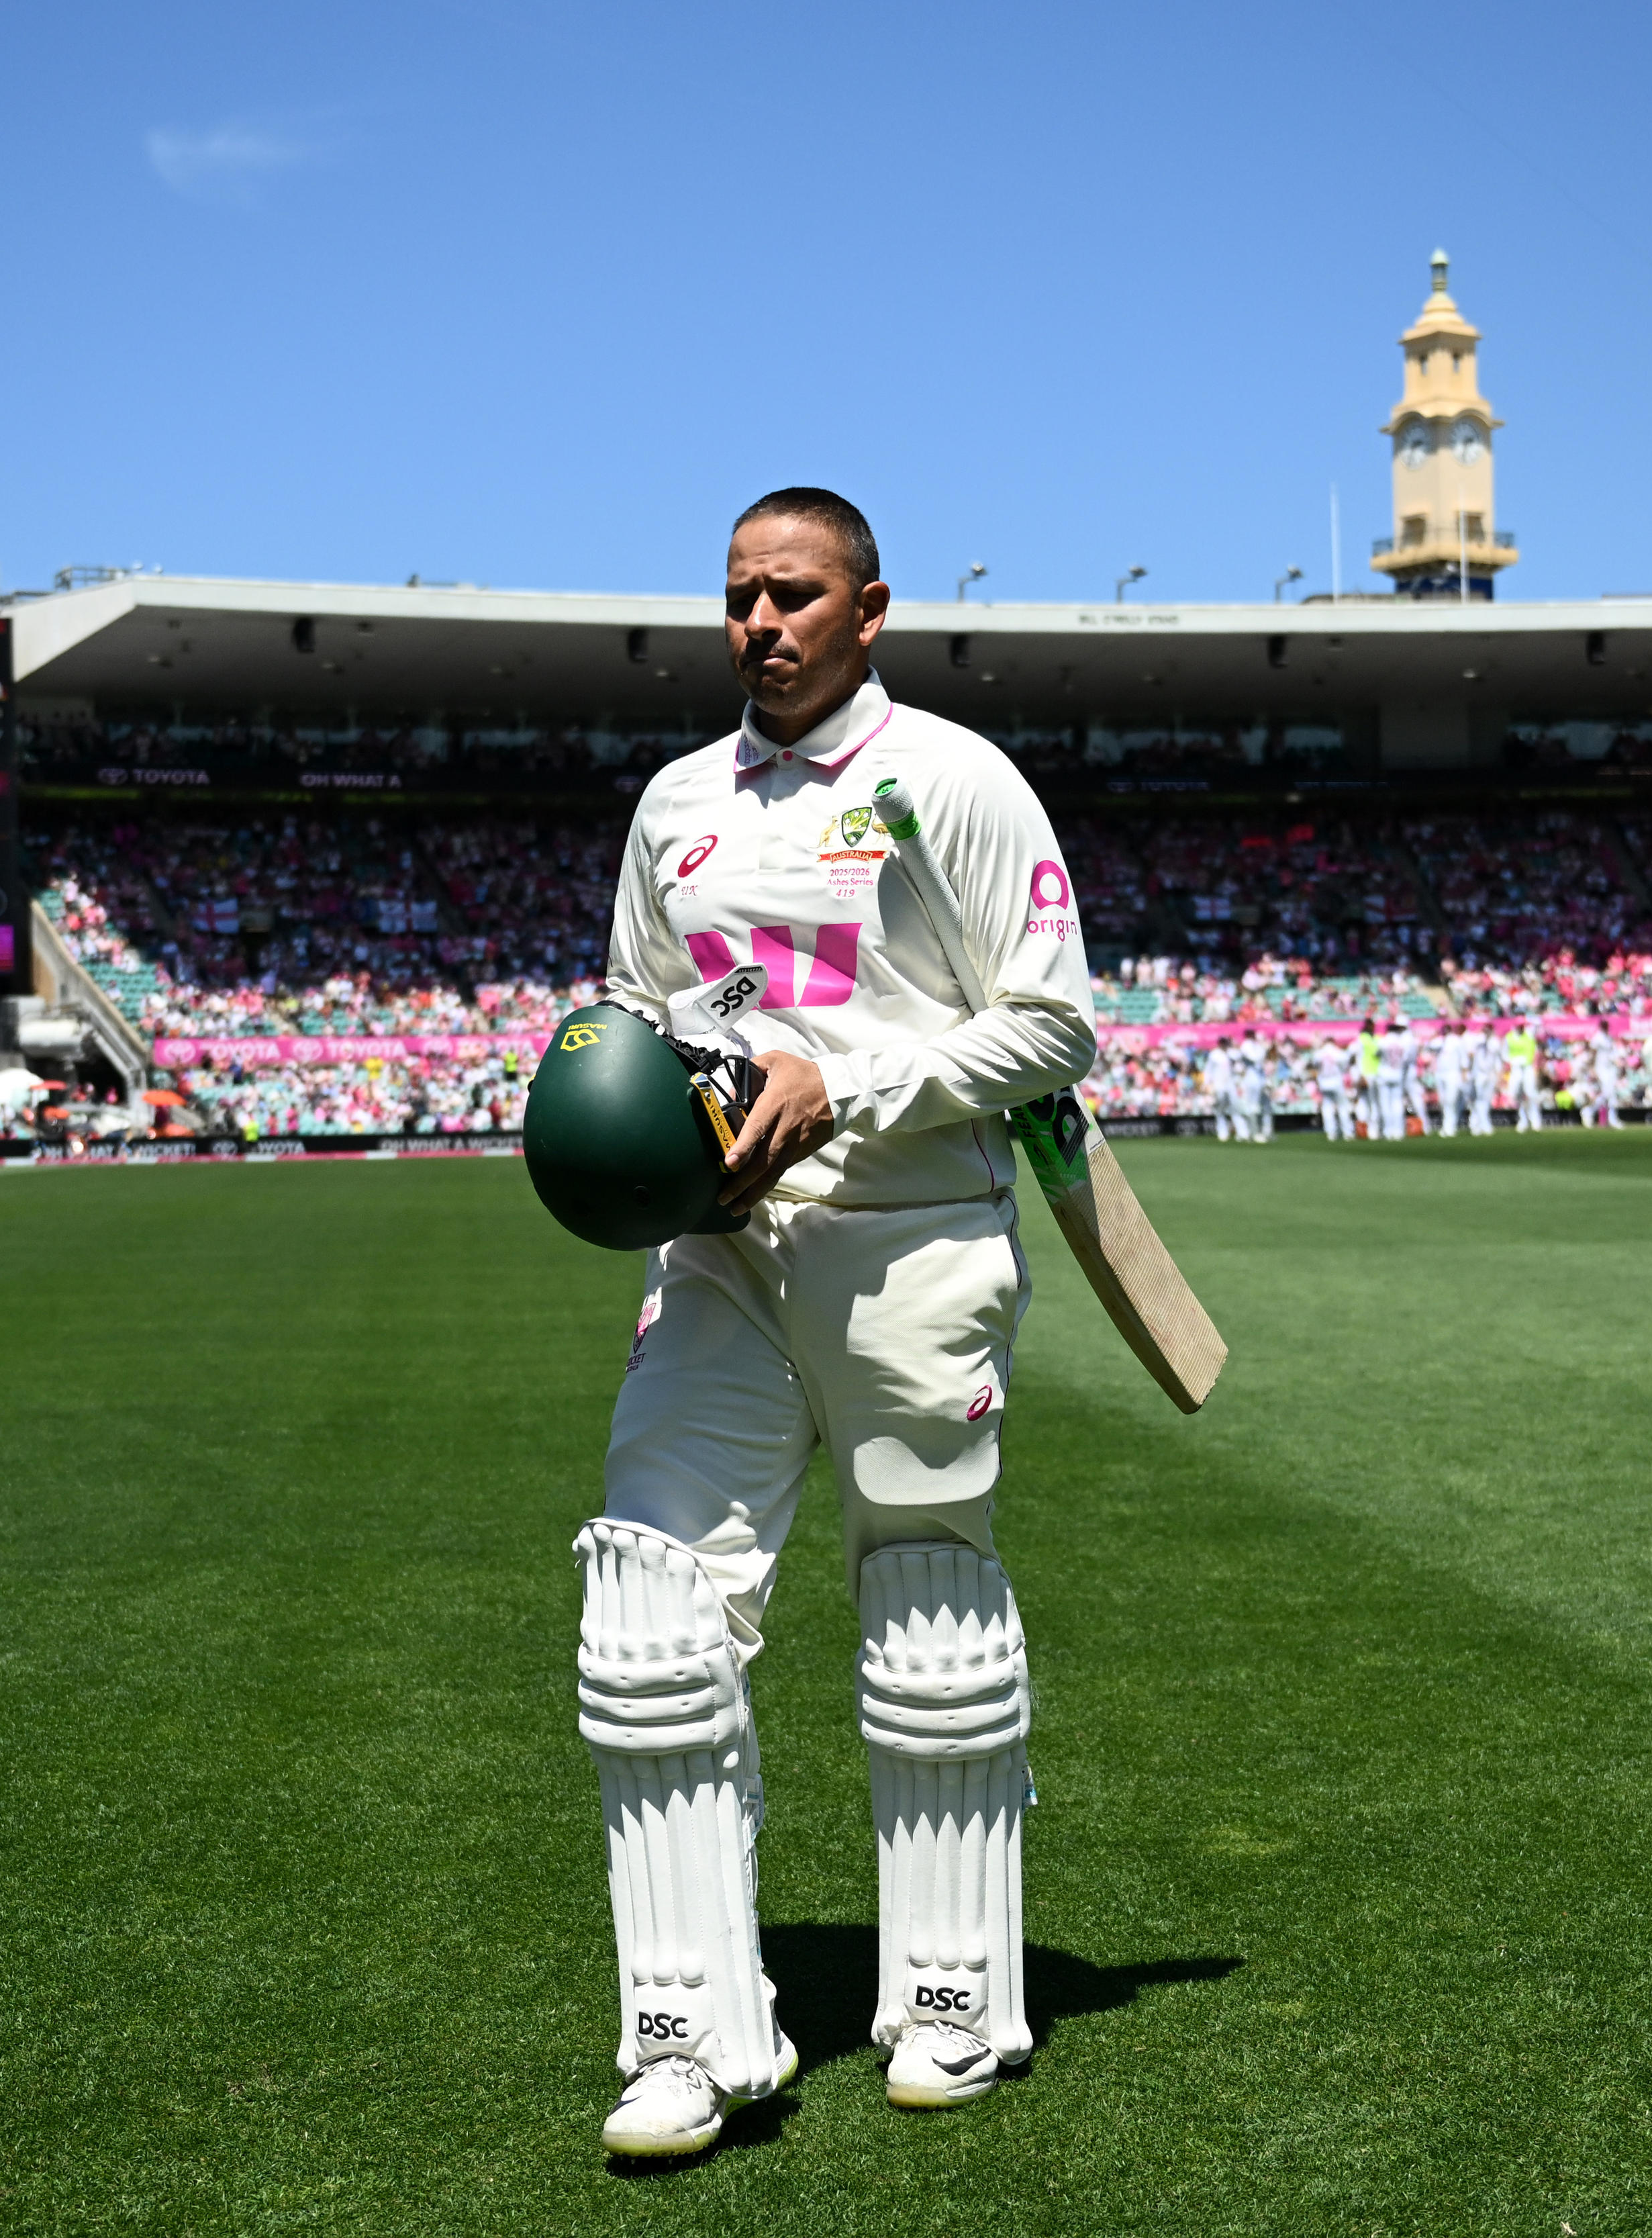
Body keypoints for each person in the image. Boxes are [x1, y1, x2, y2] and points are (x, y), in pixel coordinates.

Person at [573, 487, 1095, 2157]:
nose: (761, 624)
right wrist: (654, 1136)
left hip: (913, 1242)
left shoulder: (950, 780)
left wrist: (843, 1079)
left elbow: (1053, 1029)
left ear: (869, 610)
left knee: (927, 1606)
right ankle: (687, 2034)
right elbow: (646, 1015)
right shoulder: (675, 805)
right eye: (738, 597)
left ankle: (948, 1992)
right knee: (646, 1622)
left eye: (793, 595)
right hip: (722, 1252)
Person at [1504, 1019, 1543, 1131]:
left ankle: (1535, 1120)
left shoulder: (1529, 1035)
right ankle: (1523, 1120)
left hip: (1528, 1068)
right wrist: (1511, 1061)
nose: (1522, 1028)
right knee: (1517, 1095)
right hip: (1516, 1068)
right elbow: (1505, 1053)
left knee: (1531, 1093)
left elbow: (1538, 1024)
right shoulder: (1509, 1037)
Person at [1314, 1033, 1352, 1140]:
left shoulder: (1319, 1053)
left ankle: (1331, 1133)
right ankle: (1347, 1132)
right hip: (1336, 1082)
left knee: (1327, 1108)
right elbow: (1345, 1067)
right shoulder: (1338, 1052)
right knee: (1343, 1107)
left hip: (1324, 1082)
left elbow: (1316, 1065)